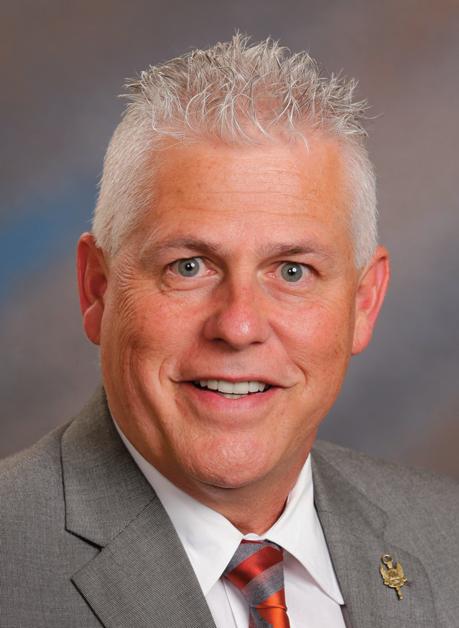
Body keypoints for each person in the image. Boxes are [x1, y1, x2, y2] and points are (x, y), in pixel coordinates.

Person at [0, 35, 457, 628]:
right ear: (97, 288)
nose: (238, 326)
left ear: (363, 302)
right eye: (189, 267)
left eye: (292, 271)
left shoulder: (446, 539)